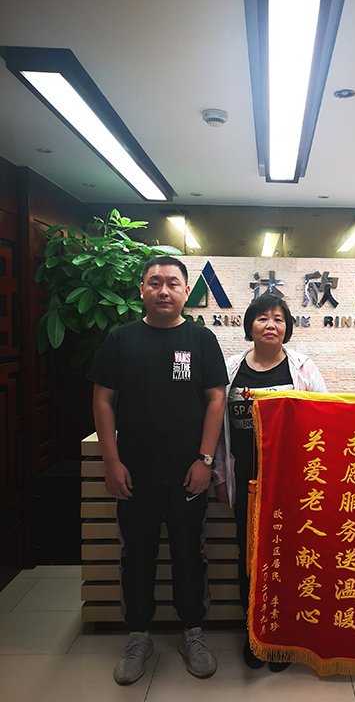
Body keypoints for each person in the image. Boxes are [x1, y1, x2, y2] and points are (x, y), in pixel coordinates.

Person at [88, 256, 227, 685]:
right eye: (155, 282)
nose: (163, 290)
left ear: (186, 291)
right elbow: (103, 399)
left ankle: (193, 633)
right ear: (142, 290)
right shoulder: (120, 339)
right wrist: (111, 461)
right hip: (134, 473)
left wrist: (205, 460)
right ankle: (138, 636)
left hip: (188, 472)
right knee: (137, 556)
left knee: (189, 554)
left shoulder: (201, 339)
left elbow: (216, 399)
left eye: (172, 283)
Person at [213, 293, 327, 671]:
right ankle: (254, 632)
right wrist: (218, 474)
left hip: (292, 485)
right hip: (246, 482)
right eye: (262, 318)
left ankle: (282, 635)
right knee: (249, 555)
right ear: (250, 325)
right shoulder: (230, 370)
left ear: (287, 327)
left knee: (289, 556)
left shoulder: (303, 368)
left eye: (278, 318)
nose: (270, 325)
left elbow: (326, 416)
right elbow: (217, 428)